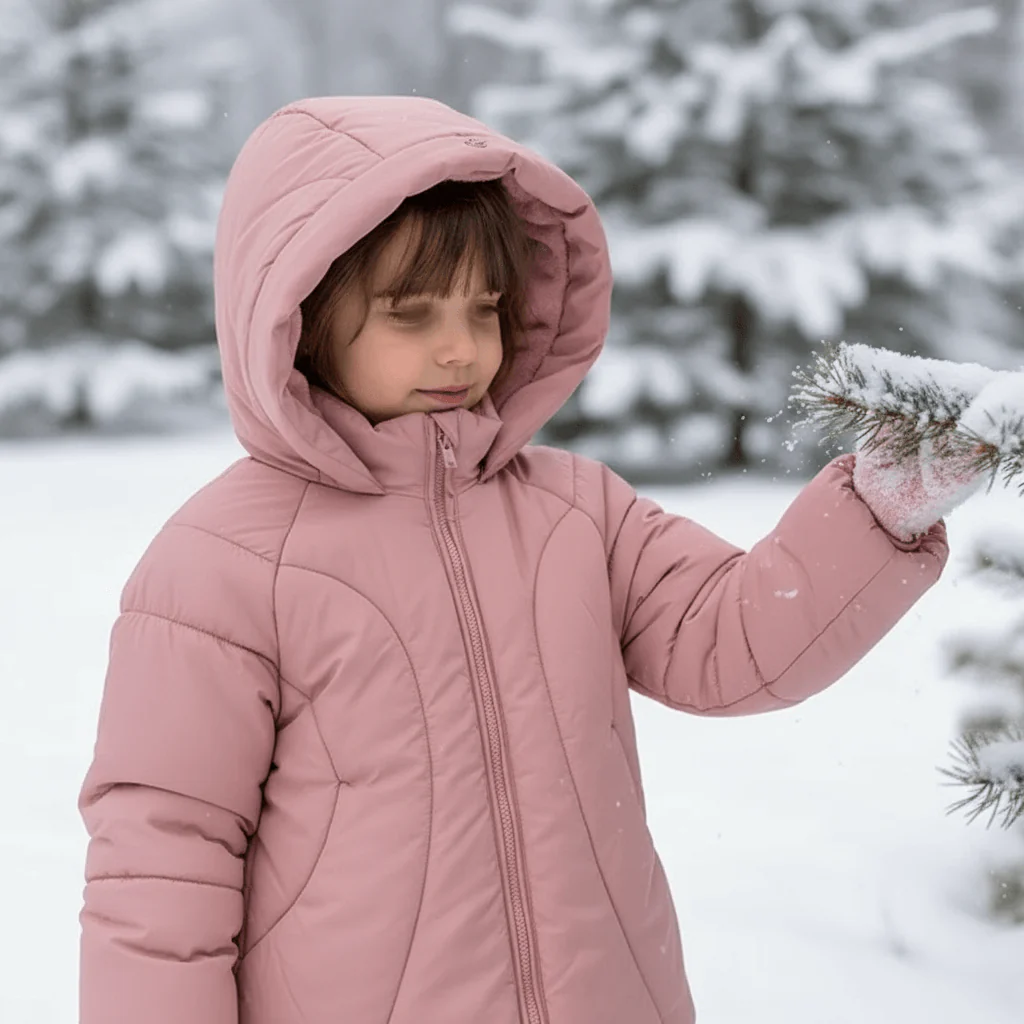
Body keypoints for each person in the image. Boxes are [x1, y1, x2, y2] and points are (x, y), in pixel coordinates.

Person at [76, 96, 974, 1024]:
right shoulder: (221, 565)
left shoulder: (573, 510)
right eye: (411, 313)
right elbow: (163, 860)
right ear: (298, 318)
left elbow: (734, 639)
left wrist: (878, 506)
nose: (461, 347)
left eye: (486, 307)